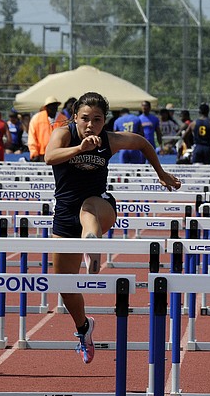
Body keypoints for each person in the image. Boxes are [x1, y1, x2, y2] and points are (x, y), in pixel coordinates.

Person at [45, 91, 182, 364]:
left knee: (88, 208)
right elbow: (49, 156)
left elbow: (142, 142)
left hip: (101, 206)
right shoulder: (63, 134)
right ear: (75, 117)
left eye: (97, 119)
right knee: (64, 285)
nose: (90, 125)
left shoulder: (111, 140)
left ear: (104, 121)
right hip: (65, 214)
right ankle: (84, 328)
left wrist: (161, 172)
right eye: (85, 118)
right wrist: (80, 148)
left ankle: (91, 242)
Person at [28, 96, 68, 162]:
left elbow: (67, 138)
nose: (53, 107)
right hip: (41, 154)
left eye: (54, 105)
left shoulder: (64, 119)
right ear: (46, 107)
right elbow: (32, 138)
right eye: (50, 106)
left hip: (59, 154)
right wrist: (34, 153)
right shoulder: (37, 119)